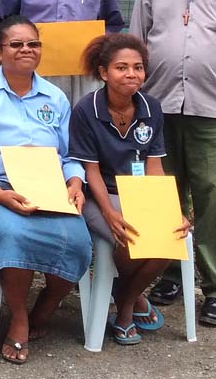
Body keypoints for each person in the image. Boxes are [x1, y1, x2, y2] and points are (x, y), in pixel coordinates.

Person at [0, 15, 91, 364]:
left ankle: (45, 305)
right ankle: (18, 315)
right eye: (16, 45)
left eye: (33, 44)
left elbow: (69, 154)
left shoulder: (55, 97)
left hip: (48, 187)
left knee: (77, 240)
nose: (26, 50)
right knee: (10, 234)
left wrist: (75, 183)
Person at [68, 33, 190, 344]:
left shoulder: (152, 107)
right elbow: (90, 171)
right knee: (127, 235)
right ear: (103, 72)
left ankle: (124, 298)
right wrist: (109, 213)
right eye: (121, 67)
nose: (131, 74)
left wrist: (170, 210)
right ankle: (129, 304)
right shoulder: (86, 109)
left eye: (137, 67)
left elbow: (154, 166)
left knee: (169, 236)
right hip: (99, 194)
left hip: (139, 193)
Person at [129, 0, 216, 325]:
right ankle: (166, 274)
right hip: (159, 105)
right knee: (163, 192)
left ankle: (214, 285)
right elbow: (137, 40)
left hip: (211, 108)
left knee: (211, 194)